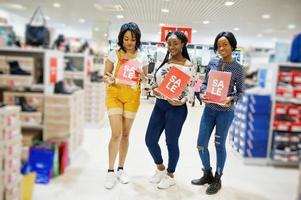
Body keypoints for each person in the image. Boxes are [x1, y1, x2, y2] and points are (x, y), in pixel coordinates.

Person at [191, 31, 244, 195]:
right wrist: (201, 92)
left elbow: (242, 92)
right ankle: (207, 173)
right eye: (219, 45)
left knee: (219, 145)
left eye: (225, 44)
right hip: (209, 111)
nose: (221, 48)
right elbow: (204, 83)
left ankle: (217, 178)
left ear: (232, 46)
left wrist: (231, 98)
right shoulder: (212, 63)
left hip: (225, 113)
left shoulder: (238, 69)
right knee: (200, 144)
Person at [145, 31, 195, 189]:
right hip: (160, 105)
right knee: (150, 140)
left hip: (177, 109)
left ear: (182, 44)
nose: (172, 46)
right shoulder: (164, 61)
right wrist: (154, 89)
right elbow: (154, 82)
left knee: (171, 142)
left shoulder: (189, 66)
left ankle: (170, 175)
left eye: (175, 43)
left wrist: (182, 100)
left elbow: (191, 92)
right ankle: (160, 169)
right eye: (169, 43)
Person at [103, 22, 148, 189]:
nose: (129, 42)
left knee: (126, 134)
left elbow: (145, 79)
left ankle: (121, 169)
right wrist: (109, 79)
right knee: (116, 133)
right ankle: (110, 171)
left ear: (137, 40)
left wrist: (143, 75)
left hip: (132, 97)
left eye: (133, 39)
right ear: (121, 38)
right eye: (126, 38)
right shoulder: (113, 54)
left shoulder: (142, 57)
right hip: (114, 95)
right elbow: (106, 75)